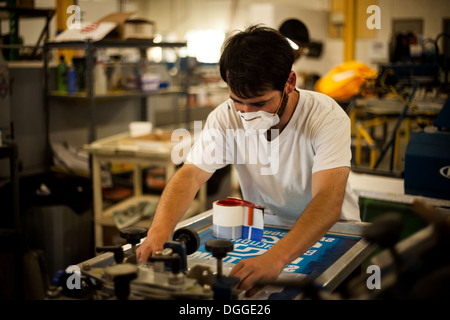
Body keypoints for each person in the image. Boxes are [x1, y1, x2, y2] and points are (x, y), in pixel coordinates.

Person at [136, 24, 360, 296]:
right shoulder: (225, 116)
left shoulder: (325, 117)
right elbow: (192, 173)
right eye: (237, 101)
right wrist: (159, 231)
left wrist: (277, 258)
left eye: (259, 103)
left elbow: (328, 200)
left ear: (290, 82)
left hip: (334, 235)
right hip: (267, 234)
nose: (245, 112)